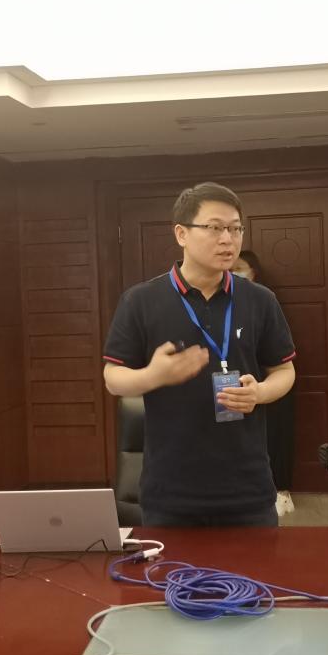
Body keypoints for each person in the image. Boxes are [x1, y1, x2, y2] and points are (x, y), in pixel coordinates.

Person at [102, 182, 297, 527]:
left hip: (248, 490)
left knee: (255, 566)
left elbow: (284, 371)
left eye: (235, 229)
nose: (228, 239)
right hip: (171, 492)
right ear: (181, 234)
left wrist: (260, 392)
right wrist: (153, 376)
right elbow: (113, 379)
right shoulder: (141, 301)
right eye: (215, 228)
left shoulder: (259, 300)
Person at [232, 251, 297, 518]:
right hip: (232, 390)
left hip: (267, 384)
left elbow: (283, 365)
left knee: (275, 439)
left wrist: (263, 389)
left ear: (254, 272)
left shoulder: (263, 300)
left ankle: (281, 491)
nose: (234, 273)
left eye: (239, 268)